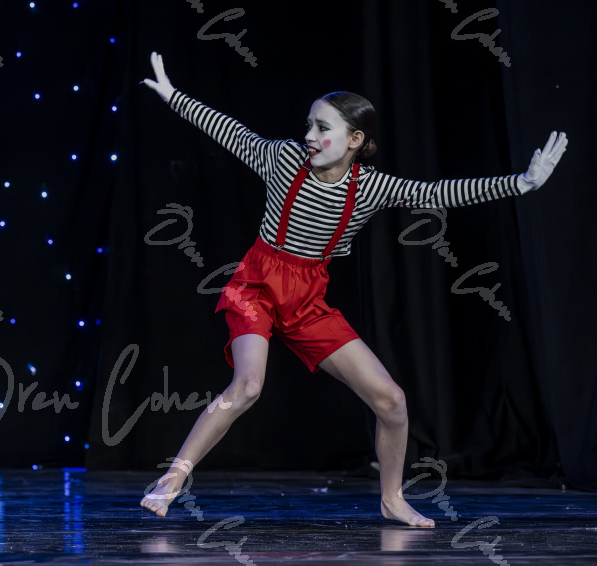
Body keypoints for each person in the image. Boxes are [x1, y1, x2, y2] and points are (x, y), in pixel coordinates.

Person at [138, 52, 567, 527]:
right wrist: (174, 96)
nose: (309, 136)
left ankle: (392, 499)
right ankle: (173, 478)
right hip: (256, 284)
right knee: (248, 386)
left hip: (307, 298)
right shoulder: (284, 160)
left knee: (392, 401)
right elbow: (233, 133)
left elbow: (437, 193)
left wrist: (521, 184)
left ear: (355, 139)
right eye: (309, 125)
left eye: (322, 128)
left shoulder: (370, 188)